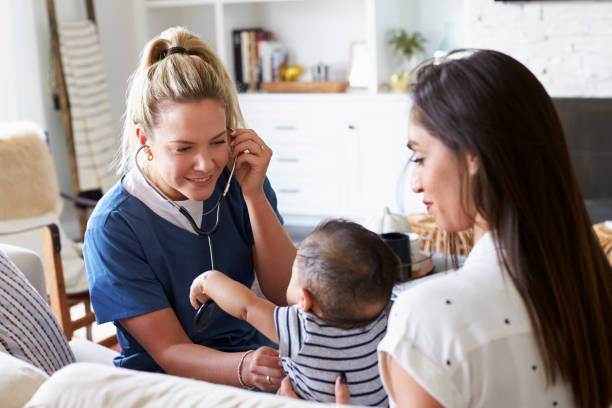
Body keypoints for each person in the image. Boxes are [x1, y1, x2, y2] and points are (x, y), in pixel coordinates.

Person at [374, 49, 612, 407]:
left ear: (473, 156)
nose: (415, 183)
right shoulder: (595, 290)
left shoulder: (428, 319)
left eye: (421, 157)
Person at [83, 26, 296, 391]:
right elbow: (169, 350)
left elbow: (285, 292)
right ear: (144, 141)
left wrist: (255, 196)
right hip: (164, 384)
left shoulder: (239, 181)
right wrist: (245, 367)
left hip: (253, 364)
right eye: (183, 148)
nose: (206, 164)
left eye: (217, 142)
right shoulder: (113, 227)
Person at [189, 219, 398, 406]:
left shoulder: (301, 328)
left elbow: (246, 306)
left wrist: (209, 280)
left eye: (292, 274)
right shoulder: (382, 319)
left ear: (305, 299)